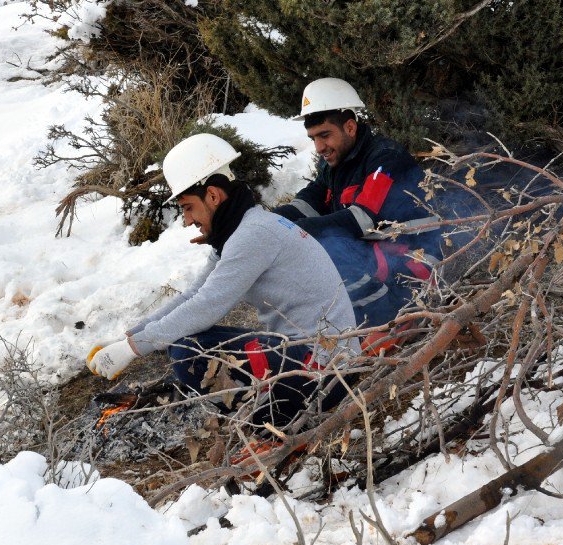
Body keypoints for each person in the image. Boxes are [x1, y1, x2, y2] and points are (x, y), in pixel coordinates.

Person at [86, 134, 359, 427]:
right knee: (188, 340)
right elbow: (194, 294)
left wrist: (134, 349)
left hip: (327, 374)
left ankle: (271, 428)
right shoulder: (243, 230)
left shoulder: (253, 235)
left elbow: (207, 305)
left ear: (213, 196)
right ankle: (271, 417)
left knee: (188, 352)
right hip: (315, 360)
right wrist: (130, 337)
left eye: (189, 207)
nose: (187, 220)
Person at [273, 78, 443, 334]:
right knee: (317, 244)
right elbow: (307, 204)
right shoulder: (334, 164)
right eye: (313, 138)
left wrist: (292, 232)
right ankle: (349, 323)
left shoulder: (386, 158)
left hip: (414, 266)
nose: (319, 147)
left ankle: (392, 318)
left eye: (325, 135)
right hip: (379, 258)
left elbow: (362, 220)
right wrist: (260, 222)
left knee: (328, 248)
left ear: (350, 127)